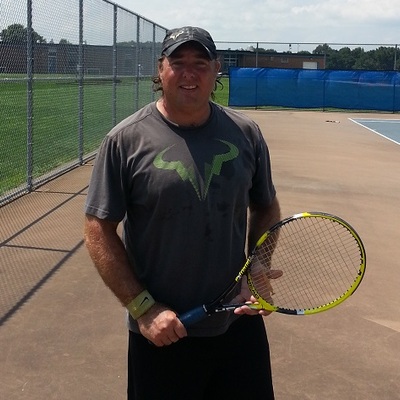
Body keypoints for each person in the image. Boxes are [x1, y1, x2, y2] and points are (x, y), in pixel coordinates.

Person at [84, 26, 281, 400]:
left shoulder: (246, 133)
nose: (189, 73)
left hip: (238, 324)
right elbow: (98, 228)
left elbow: (266, 205)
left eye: (200, 64)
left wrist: (256, 265)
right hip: (162, 332)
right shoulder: (125, 140)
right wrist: (143, 308)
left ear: (216, 71)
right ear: (160, 70)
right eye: (178, 63)